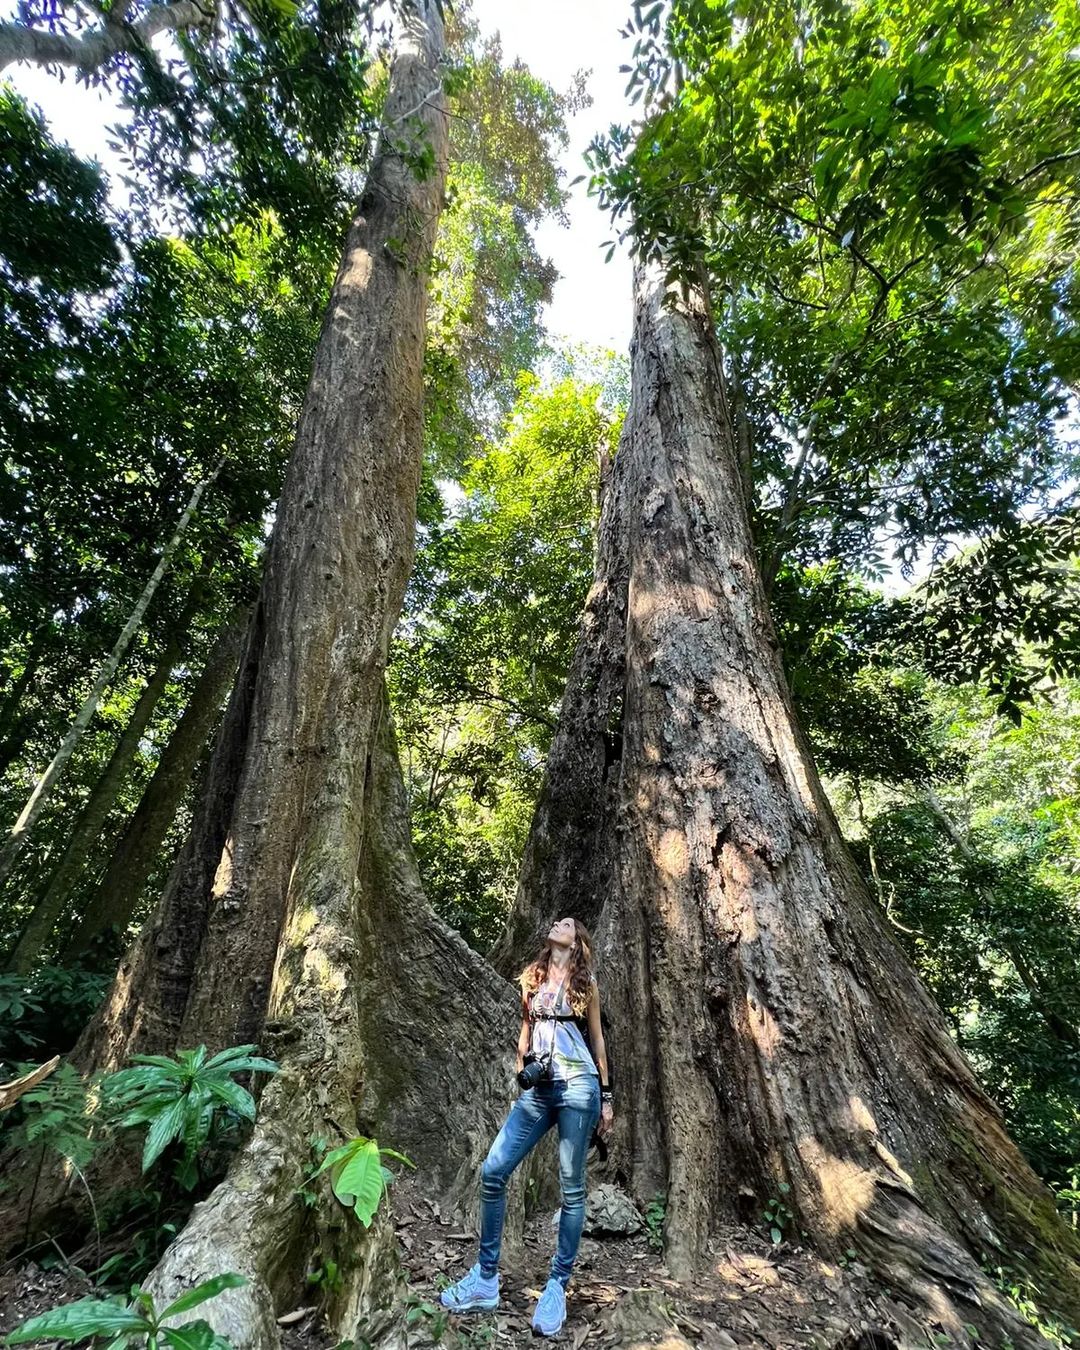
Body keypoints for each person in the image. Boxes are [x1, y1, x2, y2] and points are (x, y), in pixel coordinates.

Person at [440, 916, 614, 1336]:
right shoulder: (531, 979)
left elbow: (597, 1040)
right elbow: (526, 1028)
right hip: (539, 1091)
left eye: (568, 924)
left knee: (572, 1189)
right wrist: (523, 1064)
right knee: (494, 1170)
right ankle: (485, 1278)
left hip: (578, 1087)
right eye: (557, 921)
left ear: (577, 943)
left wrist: (606, 1098)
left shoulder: (586, 985)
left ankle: (557, 1285)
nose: (560, 924)